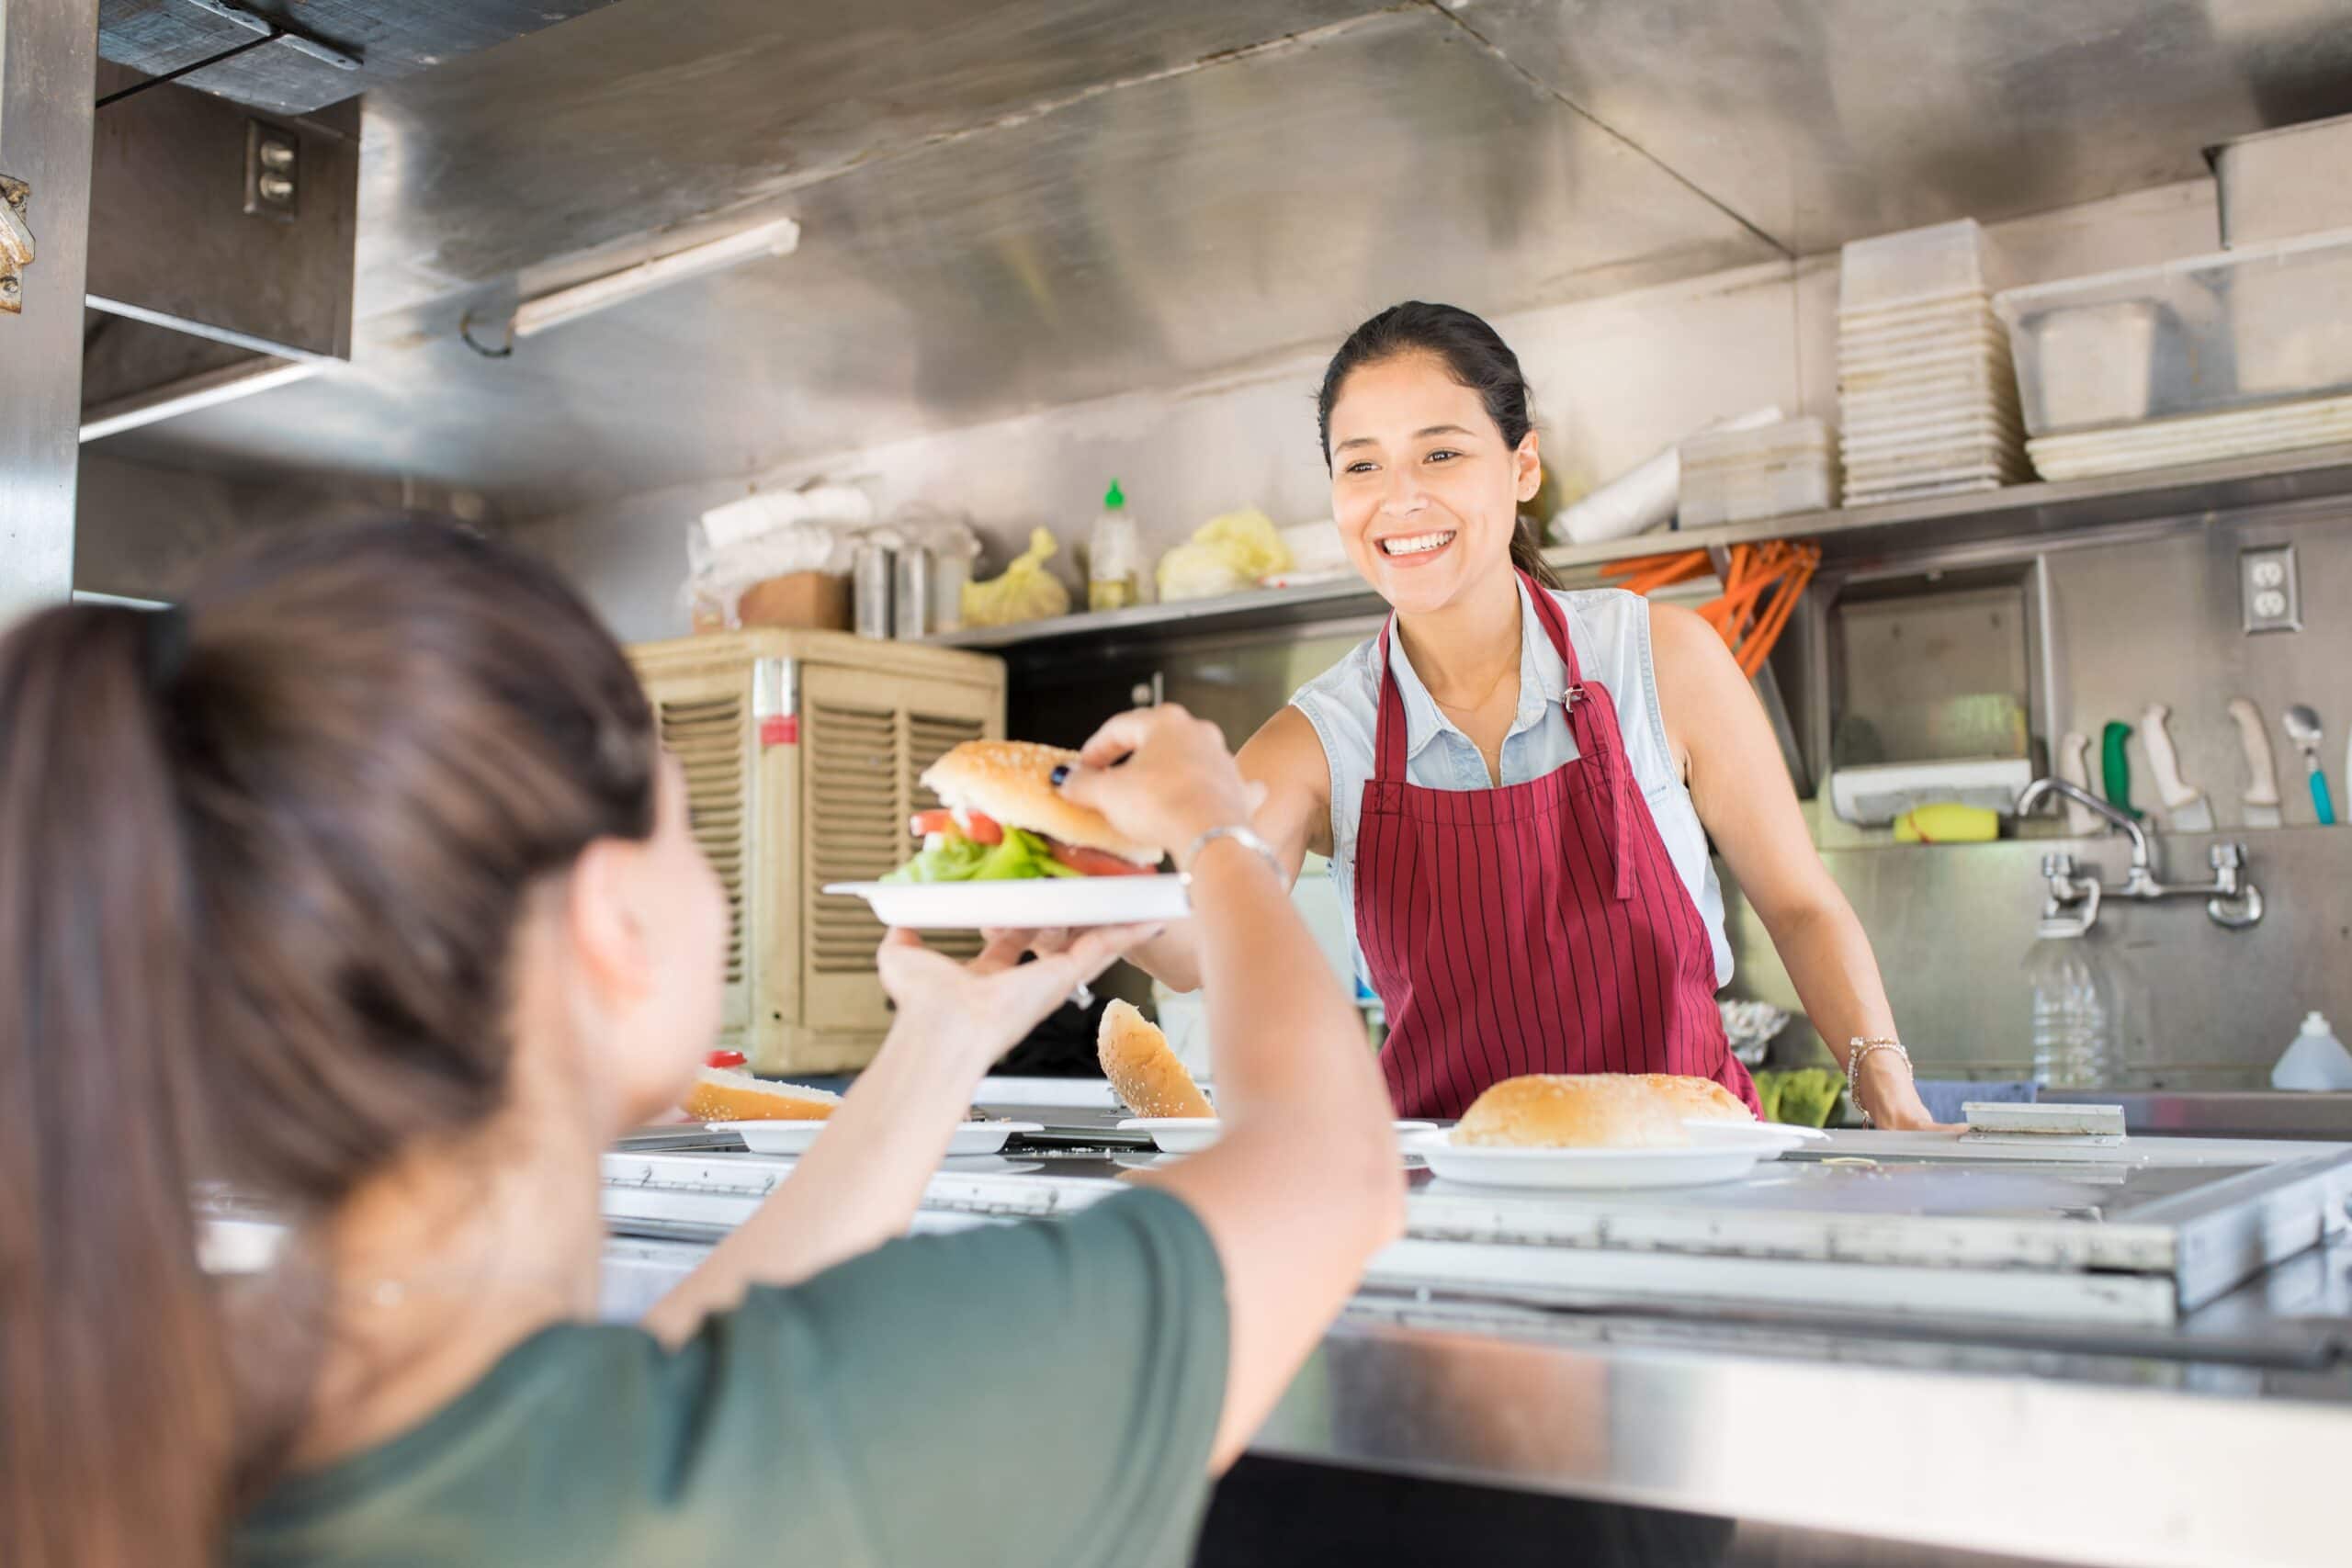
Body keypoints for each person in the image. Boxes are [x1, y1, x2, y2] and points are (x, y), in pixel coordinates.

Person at [0, 521, 1403, 1568]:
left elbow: (684, 1380)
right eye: (686, 818)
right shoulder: (782, 1462)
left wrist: (947, 1038)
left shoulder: (164, 1424)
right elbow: (1332, 1171)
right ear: (614, 917)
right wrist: (1217, 832)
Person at [1101, 301, 1938, 1131]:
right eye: (1362, 466)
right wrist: (1091, 880)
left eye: (1440, 453)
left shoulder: (1662, 660)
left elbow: (1800, 906)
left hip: (1688, 1177)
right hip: (1452, 1210)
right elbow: (1193, 947)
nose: (1401, 500)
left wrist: (1885, 1086)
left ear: (1522, 465)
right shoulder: (1320, 739)